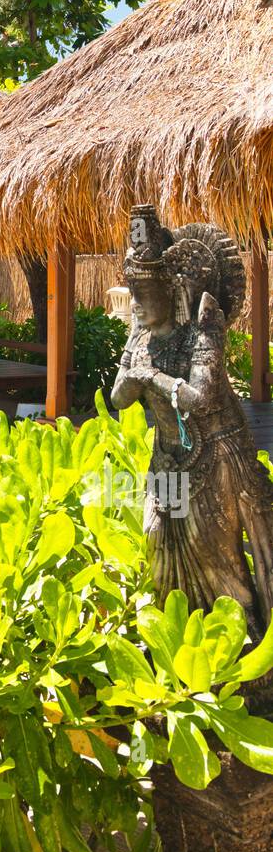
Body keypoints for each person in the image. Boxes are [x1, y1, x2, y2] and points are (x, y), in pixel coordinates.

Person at [112, 205, 273, 639]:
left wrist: (154, 377)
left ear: (171, 288)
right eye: (134, 295)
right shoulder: (140, 333)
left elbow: (200, 397)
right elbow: (118, 398)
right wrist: (135, 374)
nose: (139, 306)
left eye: (146, 295)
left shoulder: (203, 325)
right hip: (167, 458)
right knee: (156, 539)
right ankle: (179, 641)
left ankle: (246, 652)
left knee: (215, 557)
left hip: (216, 453)